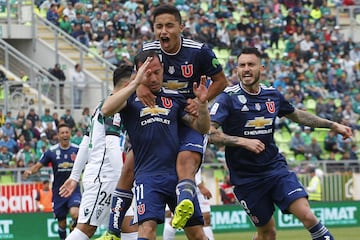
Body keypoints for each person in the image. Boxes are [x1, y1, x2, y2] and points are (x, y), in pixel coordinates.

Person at [100, 5, 228, 238]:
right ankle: (113, 231)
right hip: (158, 117)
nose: (163, 31)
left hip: (186, 114)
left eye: (169, 25)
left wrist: (202, 101)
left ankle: (185, 203)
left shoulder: (199, 51)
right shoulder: (147, 51)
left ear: (181, 27)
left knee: (185, 160)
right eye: (159, 26)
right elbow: (132, 78)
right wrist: (138, 85)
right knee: (129, 166)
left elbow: (221, 81)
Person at [208, 47, 353, 240]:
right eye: (242, 65)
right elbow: (209, 132)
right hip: (246, 179)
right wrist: (242, 141)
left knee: (308, 216)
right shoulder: (228, 98)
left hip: (275, 170)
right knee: (268, 234)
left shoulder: (272, 95)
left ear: (262, 68)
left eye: (251, 64)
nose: (246, 69)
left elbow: (299, 116)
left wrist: (333, 125)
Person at [101, 51, 210, 240]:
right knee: (147, 229)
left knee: (197, 234)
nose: (153, 78)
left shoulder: (174, 97)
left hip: (177, 177)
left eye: (157, 72)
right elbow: (106, 109)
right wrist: (135, 84)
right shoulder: (129, 99)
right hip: (148, 177)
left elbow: (201, 127)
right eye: (147, 73)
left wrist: (203, 106)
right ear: (139, 72)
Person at [59, 65, 138, 240]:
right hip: (105, 178)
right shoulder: (116, 106)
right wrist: (122, 180)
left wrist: (74, 176)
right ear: (128, 84)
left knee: (130, 227)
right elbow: (111, 144)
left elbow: (85, 143)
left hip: (108, 177)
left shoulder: (101, 106)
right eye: (135, 83)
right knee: (86, 229)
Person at [23, 123, 81, 240]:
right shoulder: (51, 151)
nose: (65, 134)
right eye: (62, 133)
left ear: (70, 134)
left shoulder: (77, 149)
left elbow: (90, 162)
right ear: (58, 136)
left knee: (75, 213)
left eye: (67, 132)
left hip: (73, 189)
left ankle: (73, 229)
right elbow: (39, 165)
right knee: (61, 223)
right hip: (59, 191)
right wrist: (30, 171)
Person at [162, 168, 215, 240]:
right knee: (176, 219)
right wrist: (201, 186)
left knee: (206, 218)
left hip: (197, 184)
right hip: (185, 183)